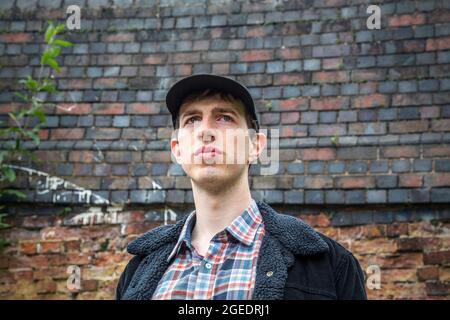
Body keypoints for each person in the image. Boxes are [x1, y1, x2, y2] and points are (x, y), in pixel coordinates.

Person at [116, 74, 367, 300]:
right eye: (192, 119)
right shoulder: (138, 270)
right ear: (177, 149)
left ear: (255, 146)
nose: (205, 131)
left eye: (224, 117)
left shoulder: (329, 264)